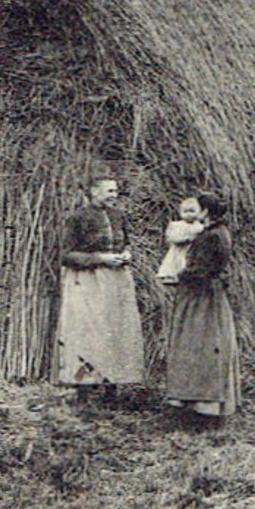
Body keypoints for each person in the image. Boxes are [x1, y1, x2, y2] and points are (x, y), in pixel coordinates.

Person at [57, 172, 143, 403]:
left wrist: (126, 254)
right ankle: (84, 389)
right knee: (88, 331)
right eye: (109, 191)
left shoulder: (118, 216)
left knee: (115, 329)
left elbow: (126, 242)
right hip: (87, 280)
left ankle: (111, 388)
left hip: (117, 280)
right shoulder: (77, 218)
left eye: (115, 191)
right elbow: (66, 255)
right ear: (94, 192)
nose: (114, 196)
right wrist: (100, 258)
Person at [164, 191, 240, 425]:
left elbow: (201, 270)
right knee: (210, 344)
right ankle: (203, 405)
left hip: (201, 298)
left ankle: (200, 408)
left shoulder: (209, 236)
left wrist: (178, 276)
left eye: (197, 208)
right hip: (212, 295)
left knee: (197, 346)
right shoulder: (221, 231)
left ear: (206, 212)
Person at [156, 196, 204, 286]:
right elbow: (171, 237)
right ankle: (171, 277)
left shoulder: (199, 226)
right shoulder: (177, 225)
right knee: (174, 262)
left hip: (190, 250)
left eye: (192, 211)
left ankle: (185, 277)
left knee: (187, 263)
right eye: (185, 212)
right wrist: (183, 239)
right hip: (178, 250)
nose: (189, 214)